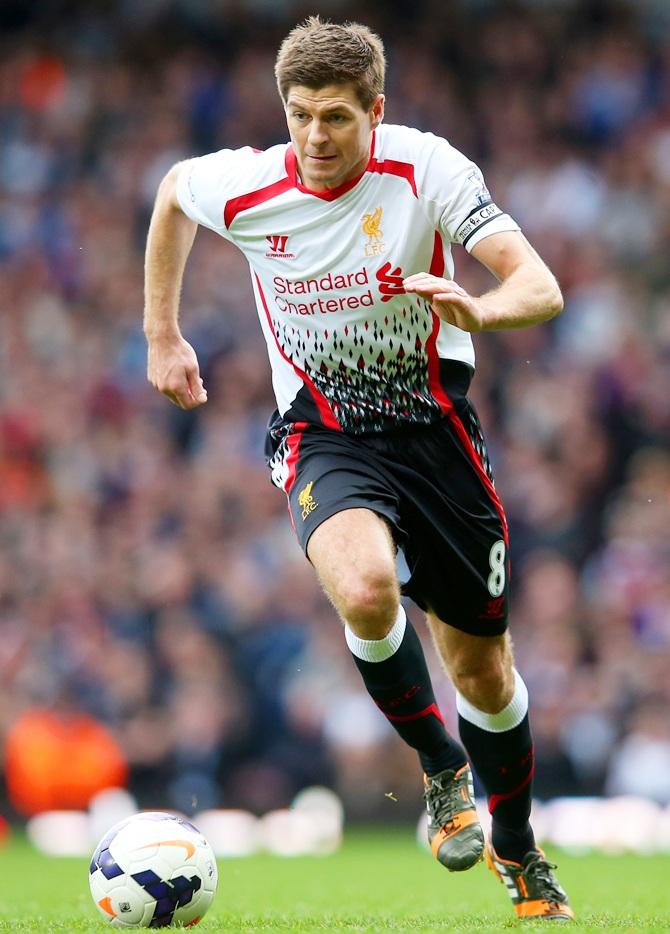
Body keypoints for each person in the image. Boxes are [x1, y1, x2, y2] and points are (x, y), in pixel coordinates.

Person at [143, 16, 574, 922]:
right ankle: (440, 766)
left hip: (436, 434)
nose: (314, 137)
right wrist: (162, 333)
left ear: (376, 111)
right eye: (298, 114)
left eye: (335, 116)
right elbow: (176, 193)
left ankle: (521, 850)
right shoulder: (252, 185)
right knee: (368, 590)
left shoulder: (427, 169)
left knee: (484, 674)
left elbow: (541, 285)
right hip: (322, 433)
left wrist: (481, 311)